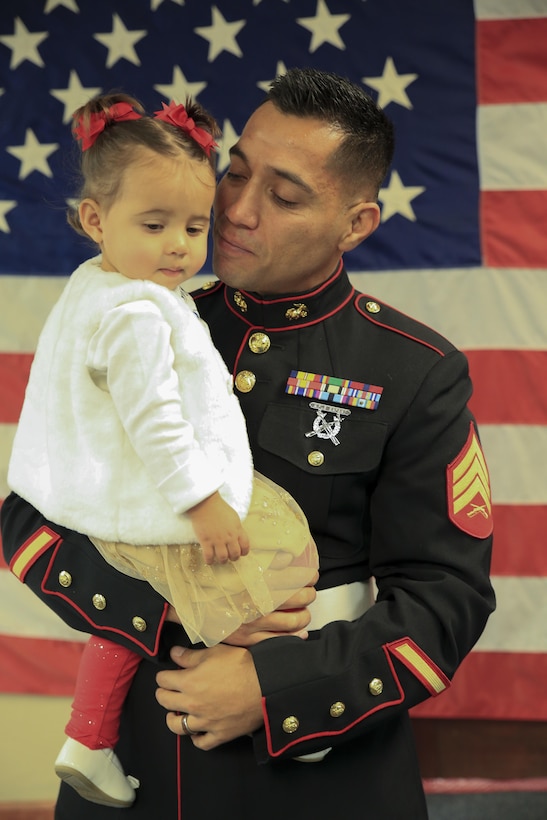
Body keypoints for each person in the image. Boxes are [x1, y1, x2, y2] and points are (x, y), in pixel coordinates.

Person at [1, 68, 495, 820]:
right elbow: (29, 517)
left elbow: (442, 602)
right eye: (234, 172)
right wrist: (165, 609)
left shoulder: (412, 370)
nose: (234, 208)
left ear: (356, 222)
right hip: (129, 770)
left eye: (285, 195)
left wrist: (274, 689)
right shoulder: (129, 319)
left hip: (314, 781)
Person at [5, 92, 318, 808]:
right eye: (154, 225)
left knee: (125, 621)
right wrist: (202, 504)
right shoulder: (138, 314)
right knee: (267, 566)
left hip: (106, 496)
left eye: (194, 225)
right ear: (94, 219)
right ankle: (292, 707)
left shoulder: (103, 286)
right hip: (161, 495)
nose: (179, 244)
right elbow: (156, 423)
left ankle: (87, 736)